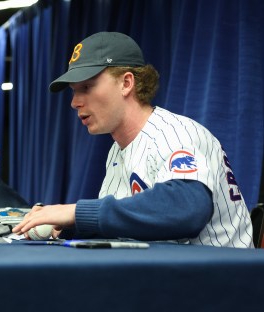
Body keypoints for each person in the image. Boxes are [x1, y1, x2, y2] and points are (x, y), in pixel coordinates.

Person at [13, 32, 253, 248]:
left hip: (224, 281)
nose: (75, 102)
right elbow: (127, 227)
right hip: (180, 278)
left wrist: (76, 212)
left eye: (86, 87)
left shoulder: (173, 133)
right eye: (74, 90)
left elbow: (186, 209)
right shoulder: (118, 150)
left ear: (126, 83)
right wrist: (65, 225)